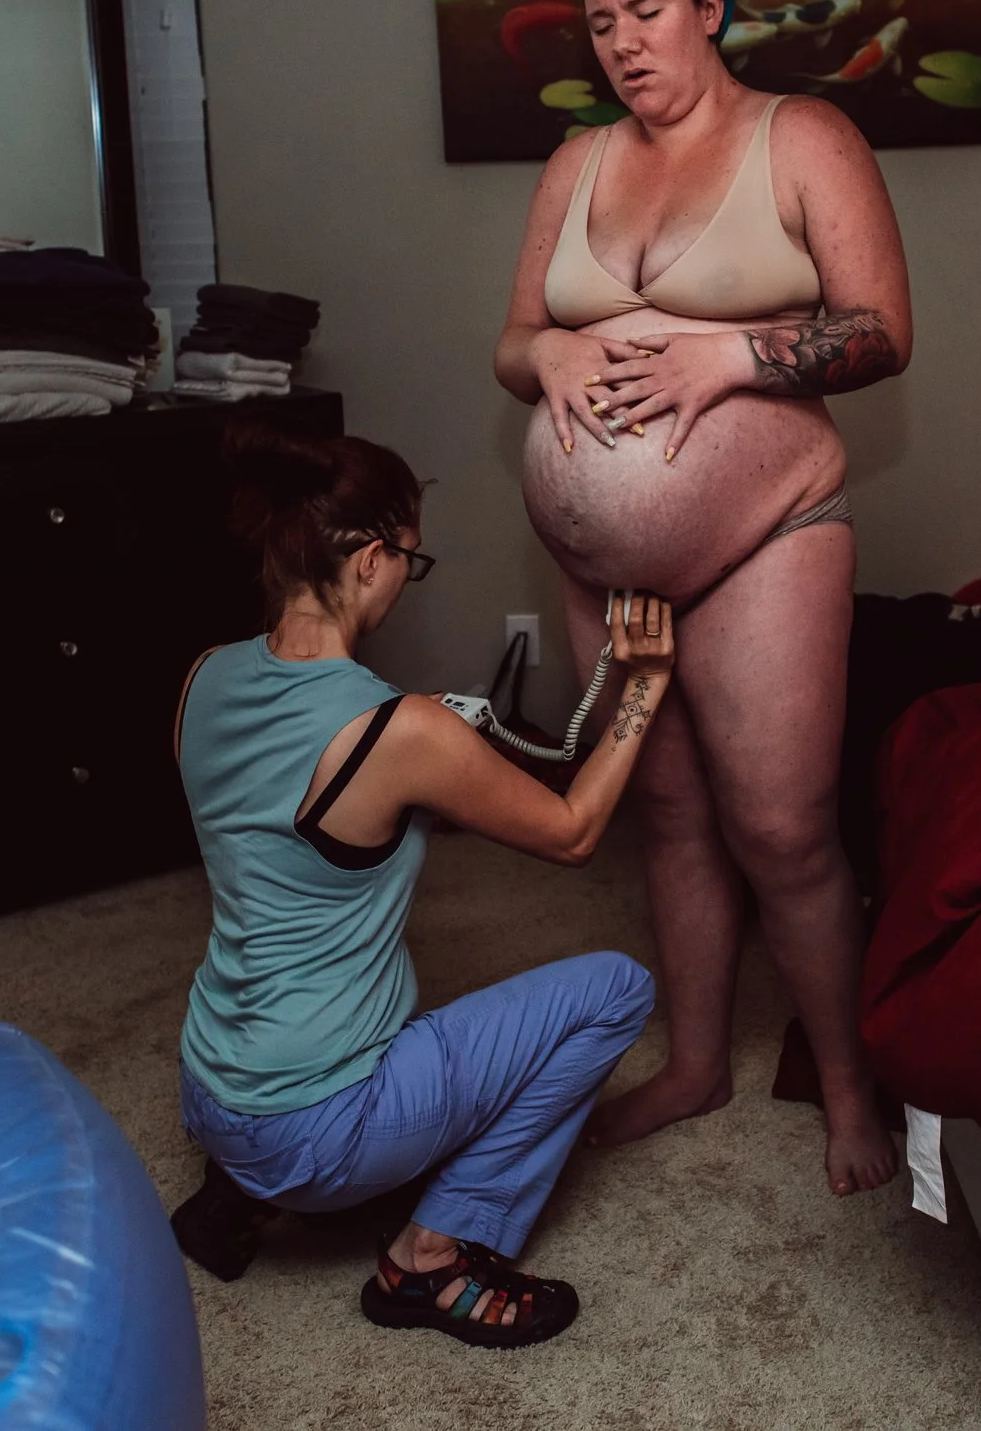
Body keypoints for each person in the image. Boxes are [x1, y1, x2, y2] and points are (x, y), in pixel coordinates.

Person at [491, 0, 911, 1198]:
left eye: (647, 12)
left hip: (765, 536)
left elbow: (881, 330)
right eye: (599, 23)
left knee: (781, 827)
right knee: (665, 814)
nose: (623, 42)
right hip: (598, 559)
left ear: (710, 8)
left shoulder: (805, 137)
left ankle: (848, 1085)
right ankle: (692, 1064)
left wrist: (730, 356)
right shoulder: (576, 161)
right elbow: (512, 343)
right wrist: (550, 353)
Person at [167, 429, 676, 1348]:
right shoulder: (398, 732)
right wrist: (643, 684)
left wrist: (425, 749)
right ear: (371, 559)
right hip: (312, 1125)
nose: (408, 575)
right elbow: (574, 831)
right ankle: (430, 1258)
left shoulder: (203, 677)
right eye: (411, 556)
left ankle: (241, 1186)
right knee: (616, 990)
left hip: (210, 1085)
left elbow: (284, 819)